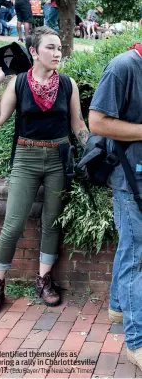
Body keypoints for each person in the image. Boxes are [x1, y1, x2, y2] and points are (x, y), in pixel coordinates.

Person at [0, 26, 89, 316]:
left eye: (59, 48)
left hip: (58, 157)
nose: (58, 53)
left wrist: (93, 150)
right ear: (33, 52)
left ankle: (43, 280)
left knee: (52, 222)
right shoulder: (18, 84)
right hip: (26, 159)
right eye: (50, 48)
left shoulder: (68, 84)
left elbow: (78, 126)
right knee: (13, 224)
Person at [89, 43, 142, 371]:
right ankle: (136, 342)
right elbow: (97, 122)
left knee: (131, 248)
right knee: (136, 257)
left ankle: (118, 308)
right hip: (127, 180)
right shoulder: (123, 67)